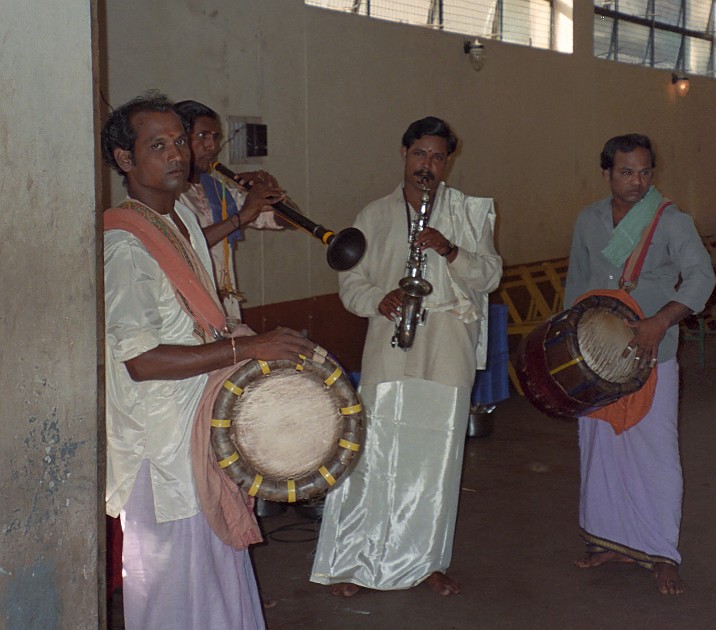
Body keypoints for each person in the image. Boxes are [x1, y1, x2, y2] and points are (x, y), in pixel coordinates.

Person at [102, 92, 320, 629]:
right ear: (125, 160)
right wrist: (247, 347)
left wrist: (245, 218)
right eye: (159, 145)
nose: (178, 154)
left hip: (198, 432)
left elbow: (202, 299)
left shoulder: (177, 223)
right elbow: (140, 362)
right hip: (161, 447)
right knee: (173, 585)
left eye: (180, 141)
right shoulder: (123, 247)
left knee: (217, 572)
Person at [310, 116, 502, 597]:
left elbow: (490, 276)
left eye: (438, 157)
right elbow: (350, 282)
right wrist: (379, 299)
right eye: (420, 154)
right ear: (404, 154)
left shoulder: (468, 212)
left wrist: (451, 249)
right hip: (390, 342)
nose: (428, 165)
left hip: (448, 346)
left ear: (448, 162)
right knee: (372, 449)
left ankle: (426, 563)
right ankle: (351, 560)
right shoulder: (373, 215)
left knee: (436, 457)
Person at [563, 133, 715, 595]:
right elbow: (576, 284)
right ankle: (611, 539)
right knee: (602, 449)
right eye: (626, 172)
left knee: (655, 455)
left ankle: (662, 551)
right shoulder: (589, 219)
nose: (637, 181)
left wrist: (661, 320)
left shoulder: (671, 221)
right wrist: (569, 352)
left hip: (653, 354)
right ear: (606, 172)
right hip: (595, 357)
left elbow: (702, 276)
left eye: (645, 171)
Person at [174, 99, 295, 321]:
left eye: (215, 136)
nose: (213, 146)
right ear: (179, 140)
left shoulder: (218, 190)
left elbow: (285, 220)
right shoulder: (167, 194)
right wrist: (242, 216)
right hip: (185, 310)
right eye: (202, 135)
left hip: (224, 306)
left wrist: (271, 193)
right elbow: (182, 245)